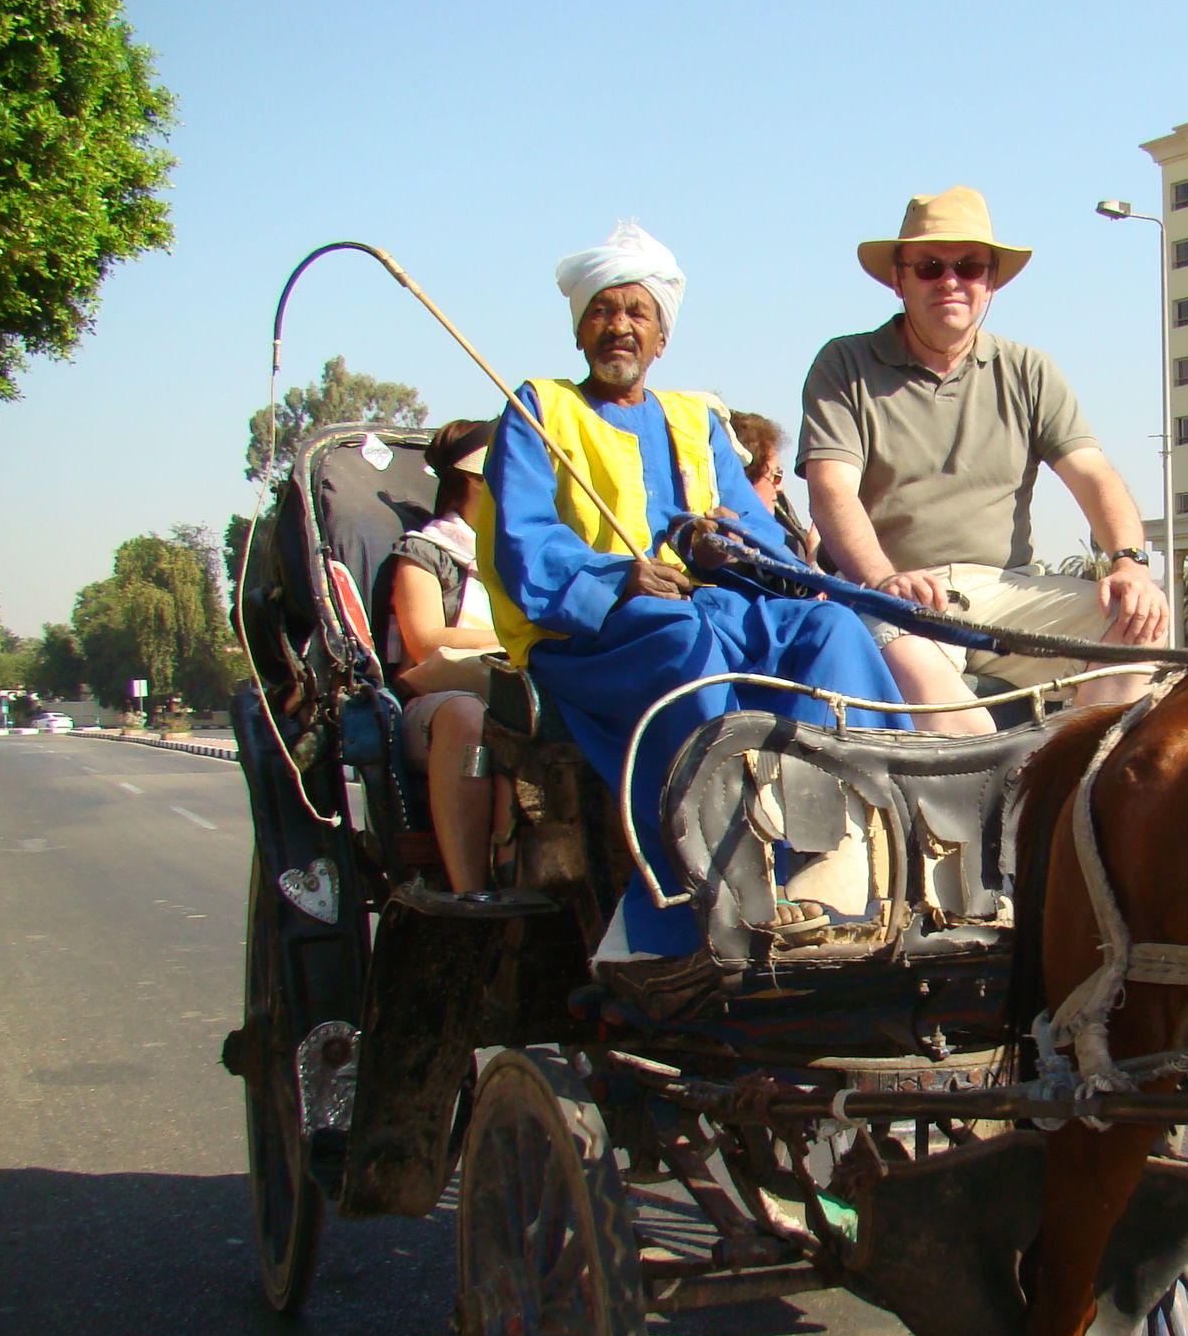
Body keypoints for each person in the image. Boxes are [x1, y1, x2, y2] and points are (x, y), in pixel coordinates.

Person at [471, 222, 908, 984]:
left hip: (713, 611)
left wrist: (724, 549)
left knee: (830, 624)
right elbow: (526, 545)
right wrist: (618, 579)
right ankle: (723, 874)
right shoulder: (539, 410)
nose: (620, 327)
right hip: (595, 634)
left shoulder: (695, 420)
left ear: (661, 336)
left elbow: (758, 542)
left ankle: (854, 849)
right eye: (604, 312)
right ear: (579, 328)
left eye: (637, 313)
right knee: (677, 635)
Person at [799, 186, 1169, 728]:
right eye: (930, 266)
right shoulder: (844, 364)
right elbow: (832, 491)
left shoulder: (1028, 370)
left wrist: (1130, 564)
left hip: (1006, 589)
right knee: (960, 725)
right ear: (898, 279)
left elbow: (1093, 474)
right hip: (900, 595)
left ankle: (1066, 784)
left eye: (969, 266)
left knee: (1142, 624)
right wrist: (882, 581)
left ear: (990, 281)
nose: (951, 281)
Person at [387, 419, 502, 895]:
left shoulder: (527, 557)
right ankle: (471, 892)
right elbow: (425, 641)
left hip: (518, 693)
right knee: (466, 714)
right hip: (436, 707)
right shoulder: (425, 551)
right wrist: (511, 639)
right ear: (474, 479)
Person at [728, 410, 817, 564]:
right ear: (744, 481)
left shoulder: (781, 513)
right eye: (775, 476)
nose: (780, 487)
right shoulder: (728, 548)